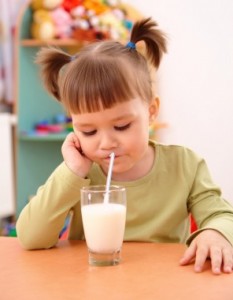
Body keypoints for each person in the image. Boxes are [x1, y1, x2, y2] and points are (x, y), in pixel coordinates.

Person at [16, 18, 233, 275]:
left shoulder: (185, 165)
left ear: (151, 112)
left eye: (121, 126)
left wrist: (214, 232)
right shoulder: (80, 174)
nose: (107, 143)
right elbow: (31, 237)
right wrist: (72, 172)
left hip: (164, 284)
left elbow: (222, 215)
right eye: (88, 131)